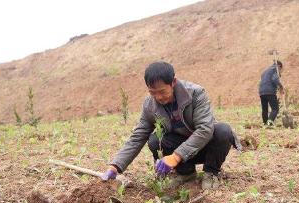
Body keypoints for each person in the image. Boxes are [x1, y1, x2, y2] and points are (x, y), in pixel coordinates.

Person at [101, 61, 242, 190]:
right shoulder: (149, 104)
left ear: (173, 82)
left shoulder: (196, 93)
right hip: (183, 153)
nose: (158, 97)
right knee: (156, 140)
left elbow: (205, 129)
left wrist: (175, 157)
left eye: (162, 91)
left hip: (205, 148)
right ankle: (186, 173)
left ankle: (211, 172)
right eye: (152, 92)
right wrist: (116, 166)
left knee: (223, 131)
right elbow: (138, 136)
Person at [258, 61, 284, 126]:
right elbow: (274, 79)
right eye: (281, 69)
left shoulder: (264, 72)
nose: (280, 71)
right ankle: (269, 124)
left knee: (265, 109)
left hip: (261, 92)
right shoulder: (275, 69)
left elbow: (266, 81)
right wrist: (281, 86)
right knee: (275, 109)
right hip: (270, 92)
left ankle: (265, 124)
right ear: (279, 66)